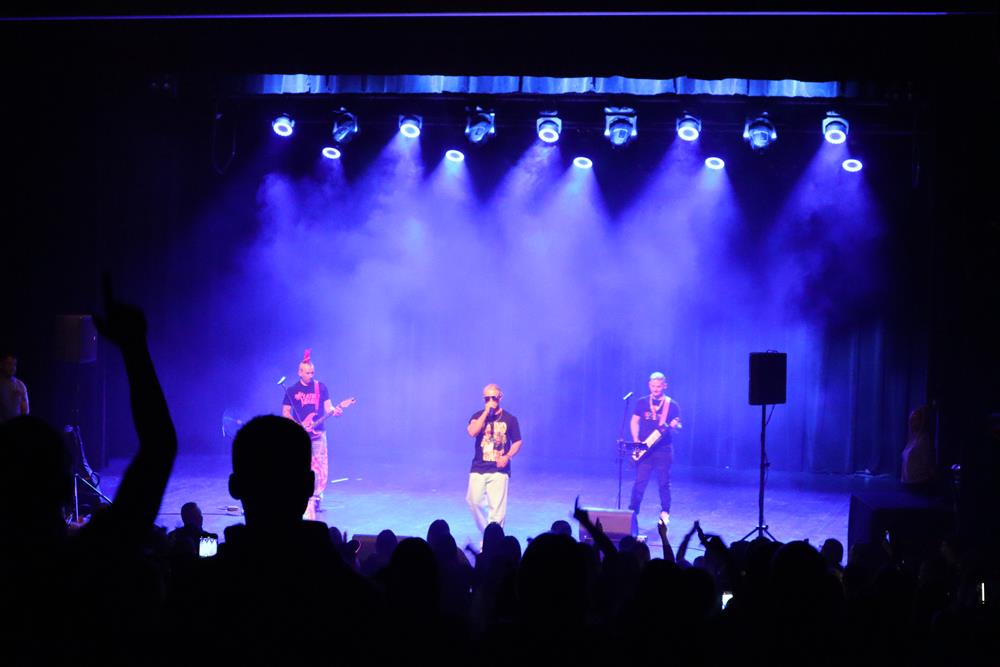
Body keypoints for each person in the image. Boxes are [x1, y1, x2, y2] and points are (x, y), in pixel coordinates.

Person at [281, 349, 343, 519]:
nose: (310, 375)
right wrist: (299, 426)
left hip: (318, 433)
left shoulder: (321, 387)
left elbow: (328, 408)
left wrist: (335, 411)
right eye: (307, 372)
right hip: (299, 435)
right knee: (299, 465)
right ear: (299, 372)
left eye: (312, 372)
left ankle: (315, 496)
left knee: (319, 467)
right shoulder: (291, 390)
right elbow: (285, 413)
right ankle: (299, 496)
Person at [466, 383, 522, 533]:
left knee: (497, 510)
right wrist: (486, 412)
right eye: (487, 398)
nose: (491, 401)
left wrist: (507, 456)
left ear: (500, 397)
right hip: (478, 467)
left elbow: (517, 441)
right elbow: (472, 432)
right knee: (473, 501)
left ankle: (493, 540)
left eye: (494, 398)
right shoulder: (477, 416)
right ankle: (488, 533)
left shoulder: (510, 419)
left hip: (499, 469)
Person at [629, 371, 681, 526]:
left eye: (658, 386)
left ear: (665, 386)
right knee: (639, 482)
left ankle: (665, 512)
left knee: (663, 483)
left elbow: (678, 427)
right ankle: (632, 513)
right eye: (653, 386)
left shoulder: (672, 405)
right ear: (649, 385)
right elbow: (634, 421)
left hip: (663, 450)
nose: (655, 389)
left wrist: (675, 426)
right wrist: (636, 440)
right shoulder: (642, 402)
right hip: (645, 449)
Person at [1, 352, 29, 422]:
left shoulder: (20, 385)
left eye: (14, 364)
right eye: (9, 364)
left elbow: (25, 411)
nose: (12, 367)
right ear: (1, 365)